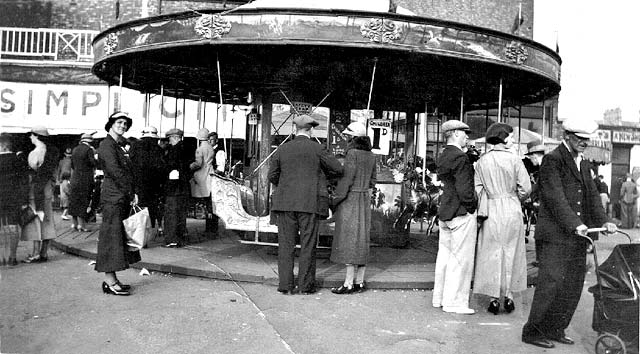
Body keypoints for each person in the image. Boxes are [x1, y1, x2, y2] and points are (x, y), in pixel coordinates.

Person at [522, 117, 616, 349]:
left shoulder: (583, 163)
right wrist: (576, 224)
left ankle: (556, 328)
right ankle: (533, 332)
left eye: (586, 140)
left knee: (572, 286)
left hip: (576, 237)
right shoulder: (553, 160)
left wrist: (605, 221)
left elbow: (592, 197)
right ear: (567, 137)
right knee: (550, 284)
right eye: (579, 139)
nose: (584, 143)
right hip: (555, 235)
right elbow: (555, 198)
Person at [268, 114, 343, 295]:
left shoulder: (282, 149)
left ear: (295, 129)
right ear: (310, 130)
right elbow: (338, 169)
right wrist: (322, 177)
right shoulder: (318, 149)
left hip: (285, 204)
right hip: (310, 203)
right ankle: (305, 286)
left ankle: (285, 285)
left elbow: (272, 176)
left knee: (286, 245)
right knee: (308, 245)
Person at [473, 123, 531, 315]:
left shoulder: (482, 161)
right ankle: (508, 295)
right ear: (504, 138)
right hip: (512, 206)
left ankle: (493, 298)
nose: (513, 140)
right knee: (512, 251)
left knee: (491, 252)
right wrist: (515, 197)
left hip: (491, 208)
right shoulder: (515, 160)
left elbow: (478, 189)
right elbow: (526, 188)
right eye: (511, 137)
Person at [433, 120, 477, 315]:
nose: (467, 137)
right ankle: (455, 303)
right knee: (460, 260)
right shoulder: (461, 158)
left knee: (444, 257)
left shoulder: (443, 155)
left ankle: (439, 298)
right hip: (460, 213)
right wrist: (472, 207)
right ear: (456, 134)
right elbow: (465, 190)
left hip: (445, 211)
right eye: (464, 133)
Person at [95, 112, 140, 296]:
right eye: (119, 122)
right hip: (114, 198)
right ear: (111, 124)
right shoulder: (107, 145)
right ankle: (109, 280)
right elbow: (116, 172)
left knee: (115, 238)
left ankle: (112, 279)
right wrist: (131, 193)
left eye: (125, 123)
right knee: (110, 239)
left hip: (118, 197)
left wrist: (132, 192)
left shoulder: (117, 145)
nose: (122, 125)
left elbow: (126, 172)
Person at [329, 122, 376, 294]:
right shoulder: (371, 155)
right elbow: (372, 181)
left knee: (349, 239)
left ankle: (348, 283)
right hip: (364, 199)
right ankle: (360, 281)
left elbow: (346, 179)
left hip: (351, 199)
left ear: (354, 137)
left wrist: (335, 199)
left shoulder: (352, 154)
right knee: (362, 239)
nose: (347, 138)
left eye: (348, 136)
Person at [22, 126, 59, 263]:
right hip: (47, 191)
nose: (30, 138)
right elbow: (54, 177)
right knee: (47, 222)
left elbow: (30, 177)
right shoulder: (52, 154)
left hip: (34, 192)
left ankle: (34, 254)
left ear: (36, 136)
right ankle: (44, 253)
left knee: (34, 223)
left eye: (31, 135)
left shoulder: (34, 154)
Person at [130, 126, 165, 237]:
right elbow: (161, 169)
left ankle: (140, 234)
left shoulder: (135, 146)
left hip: (138, 184)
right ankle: (156, 228)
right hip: (154, 185)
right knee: (153, 208)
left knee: (139, 208)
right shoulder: (158, 150)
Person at [0, 134, 29, 266]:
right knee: (12, 226)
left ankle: (2, 258)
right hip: (14, 198)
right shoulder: (18, 160)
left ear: (2, 146)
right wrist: (24, 200)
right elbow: (24, 182)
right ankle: (12, 257)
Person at [163, 128, 192, 248]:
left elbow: (170, 167)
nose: (169, 142)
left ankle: (172, 239)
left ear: (175, 138)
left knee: (171, 213)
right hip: (183, 187)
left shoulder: (174, 151)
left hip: (174, 188)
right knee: (181, 214)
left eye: (170, 139)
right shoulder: (187, 149)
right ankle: (181, 238)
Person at [190, 128, 216, 234]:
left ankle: (208, 227)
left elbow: (198, 163)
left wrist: (190, 166)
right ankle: (211, 228)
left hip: (201, 176)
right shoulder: (210, 148)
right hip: (210, 173)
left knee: (202, 200)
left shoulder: (200, 149)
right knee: (210, 203)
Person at [69, 132, 96, 231]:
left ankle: (74, 224)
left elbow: (72, 165)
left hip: (75, 178)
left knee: (74, 201)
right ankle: (82, 225)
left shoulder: (75, 149)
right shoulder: (89, 149)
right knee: (83, 201)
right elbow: (93, 163)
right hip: (85, 179)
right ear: (89, 141)